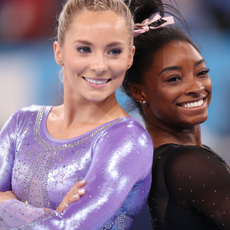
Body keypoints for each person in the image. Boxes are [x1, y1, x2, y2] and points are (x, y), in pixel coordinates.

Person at [0, 0, 153, 229]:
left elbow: (71, 227)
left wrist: (6, 206)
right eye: (84, 49)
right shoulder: (22, 122)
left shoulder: (127, 139)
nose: (100, 65)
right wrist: (52, 215)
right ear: (59, 52)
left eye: (114, 51)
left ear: (129, 56)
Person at [122, 0, 230, 229]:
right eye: (174, 79)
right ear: (138, 91)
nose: (196, 87)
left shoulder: (154, 162)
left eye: (201, 72)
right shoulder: (190, 164)